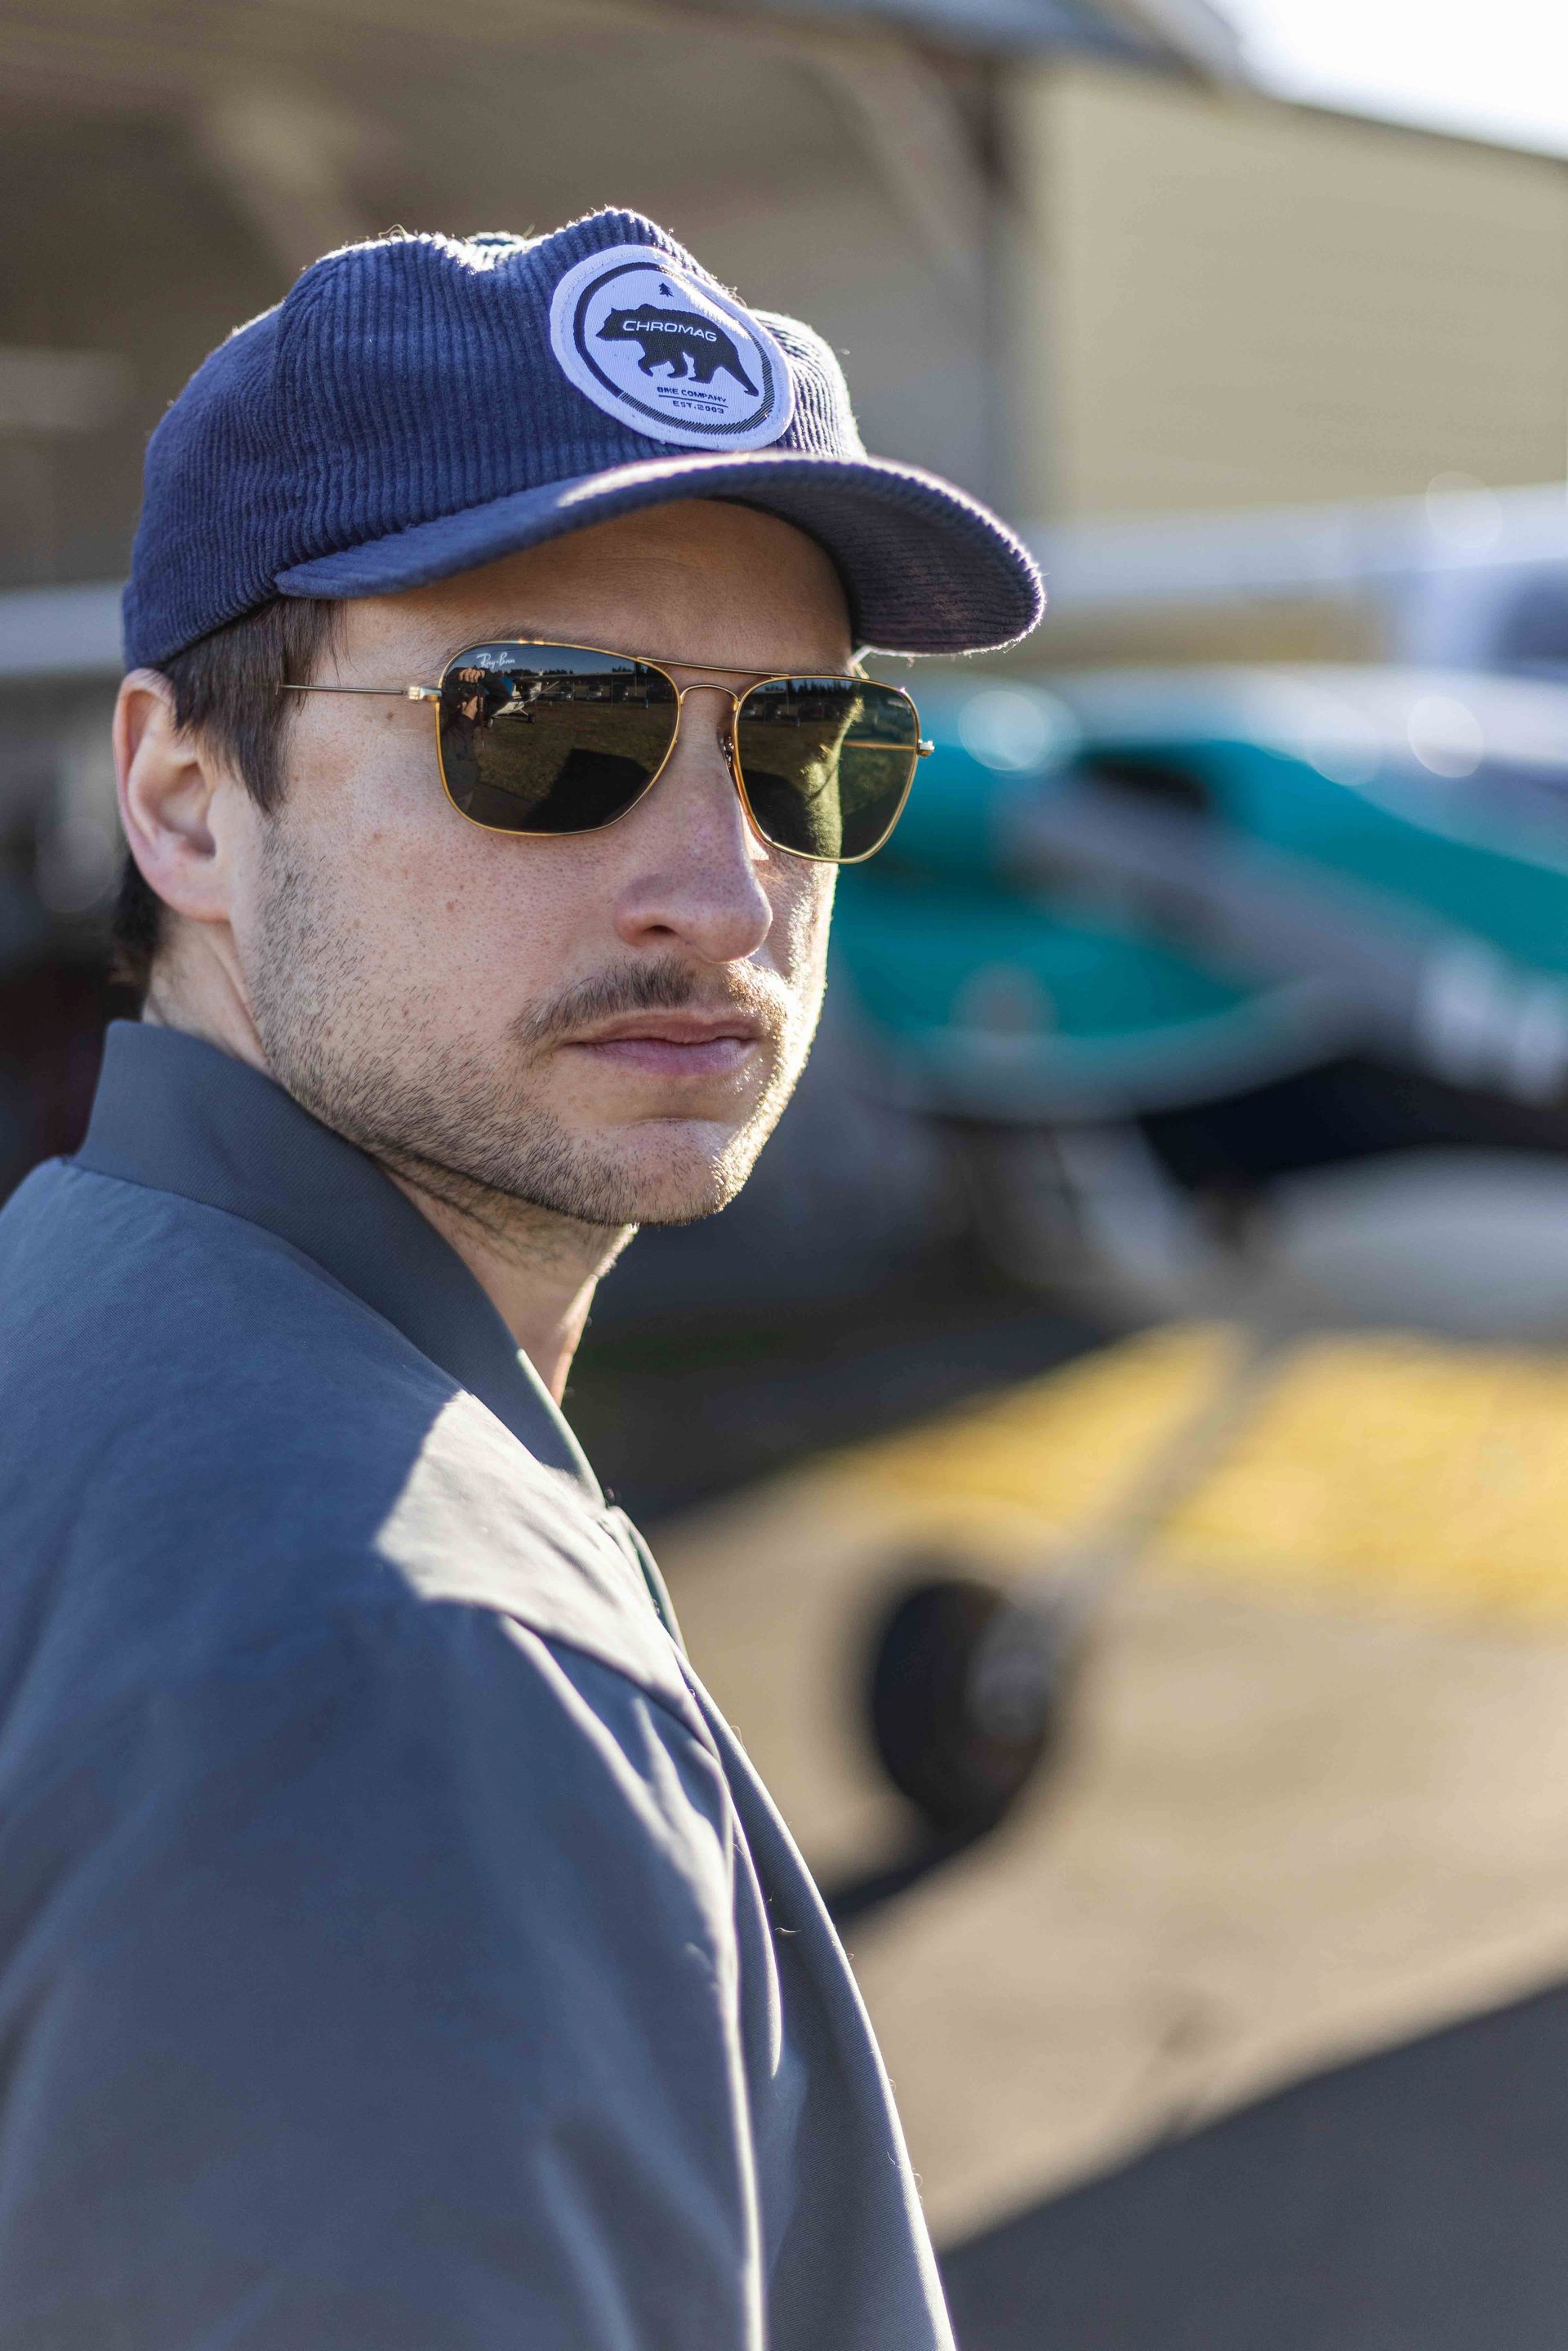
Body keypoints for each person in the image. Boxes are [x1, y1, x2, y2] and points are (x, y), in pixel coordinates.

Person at [0, 212, 1040, 2347]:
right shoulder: (401, 1654)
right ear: (187, 809)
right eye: (547, 726)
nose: (721, 884)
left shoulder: (79, 1312)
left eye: (809, 748)